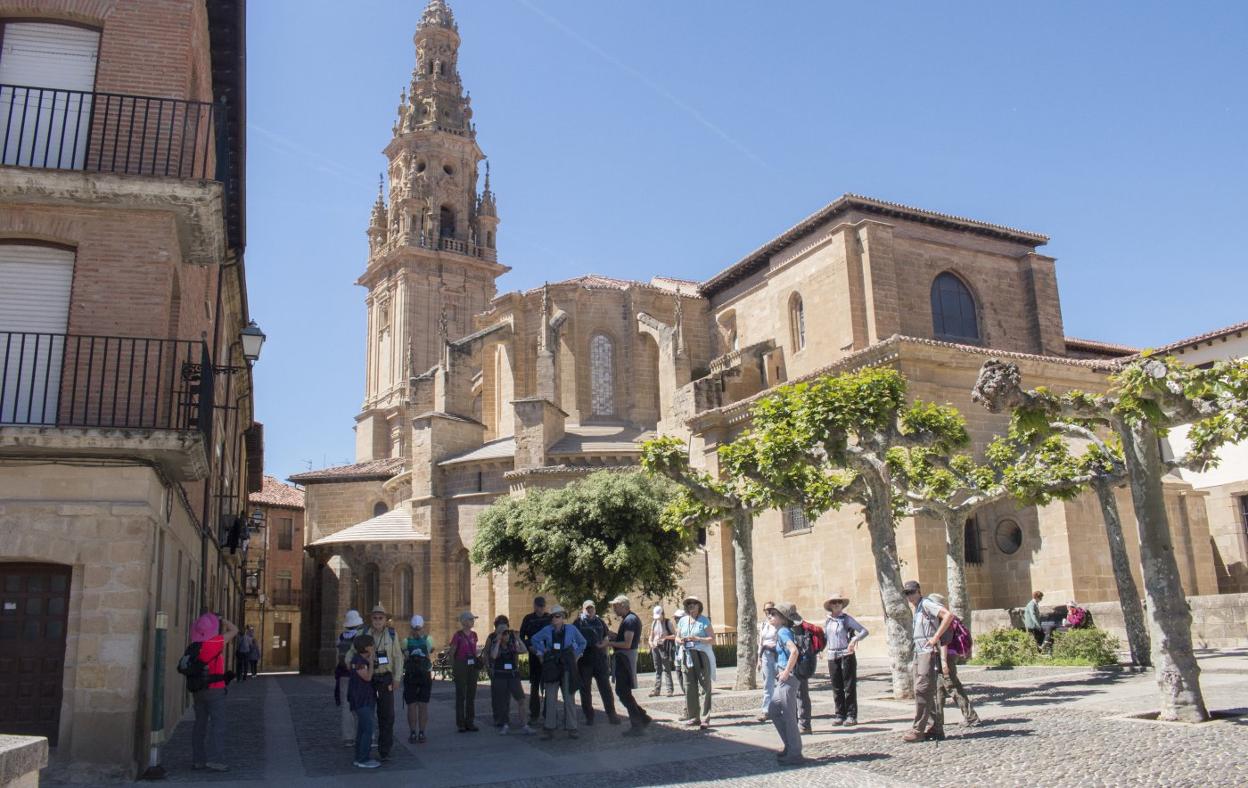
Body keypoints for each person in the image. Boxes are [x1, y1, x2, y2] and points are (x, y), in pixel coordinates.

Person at [903, 580, 954, 743]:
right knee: (924, 690)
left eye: (911, 592)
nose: (909, 596)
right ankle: (936, 728)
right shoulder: (917, 609)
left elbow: (948, 615)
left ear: (919, 590)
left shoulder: (926, 604)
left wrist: (935, 638)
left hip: (928, 652)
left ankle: (918, 730)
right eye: (906, 593)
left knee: (922, 689)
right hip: (918, 652)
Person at [188, 612, 237, 772]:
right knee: (218, 725)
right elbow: (234, 630)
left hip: (198, 690)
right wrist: (222, 620)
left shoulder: (194, 646)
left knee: (199, 725)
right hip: (215, 690)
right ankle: (216, 760)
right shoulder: (215, 642)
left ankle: (198, 760)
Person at [531, 604, 586, 739]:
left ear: (562, 617)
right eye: (553, 617)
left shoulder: (571, 629)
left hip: (566, 664)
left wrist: (575, 655)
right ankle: (549, 728)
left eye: (557, 616)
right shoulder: (547, 630)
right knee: (550, 697)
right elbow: (534, 639)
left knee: (569, 696)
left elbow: (582, 642)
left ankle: (572, 727)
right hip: (552, 664)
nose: (554, 619)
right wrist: (542, 651)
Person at [929, 593, 979, 728]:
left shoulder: (942, 619)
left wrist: (944, 662)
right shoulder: (942, 618)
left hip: (945, 657)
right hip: (944, 656)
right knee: (938, 688)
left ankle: (971, 717)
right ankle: (937, 720)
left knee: (952, 686)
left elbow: (944, 642)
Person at [362, 604, 402, 759]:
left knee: (387, 715)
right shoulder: (364, 633)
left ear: (385, 620)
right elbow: (353, 652)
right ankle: (364, 748)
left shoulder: (392, 634)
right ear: (371, 619)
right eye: (375, 617)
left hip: (385, 678)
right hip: (368, 679)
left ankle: (384, 750)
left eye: (381, 618)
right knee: (366, 714)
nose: (378, 620)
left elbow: (398, 657)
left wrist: (397, 678)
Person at [765, 602, 803, 764]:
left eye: (773, 614)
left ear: (782, 618)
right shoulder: (783, 631)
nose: (770, 616)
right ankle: (790, 745)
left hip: (788, 677)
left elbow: (794, 651)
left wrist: (786, 671)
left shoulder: (783, 632)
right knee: (773, 710)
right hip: (784, 677)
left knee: (789, 716)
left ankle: (795, 753)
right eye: (770, 613)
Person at [823, 593, 868, 726]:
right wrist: (820, 650)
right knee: (836, 686)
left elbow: (864, 631)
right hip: (832, 655)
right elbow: (826, 637)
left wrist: (854, 640)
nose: (837, 604)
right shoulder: (827, 621)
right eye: (834, 602)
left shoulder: (846, 619)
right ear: (830, 605)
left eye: (839, 602)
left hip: (846, 655)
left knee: (849, 686)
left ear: (842, 605)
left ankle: (851, 715)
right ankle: (839, 714)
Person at [573, 600, 619, 725]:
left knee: (606, 688)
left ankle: (612, 714)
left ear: (595, 609)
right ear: (583, 609)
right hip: (585, 660)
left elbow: (606, 636)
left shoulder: (600, 622)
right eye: (587, 608)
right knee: (585, 689)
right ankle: (589, 716)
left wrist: (604, 643)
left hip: (600, 660)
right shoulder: (578, 623)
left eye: (591, 608)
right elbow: (573, 640)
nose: (590, 610)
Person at [485, 614, 532, 735]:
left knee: (521, 699)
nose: (506, 635)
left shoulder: (512, 642)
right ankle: (504, 723)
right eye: (503, 633)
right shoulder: (494, 640)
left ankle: (524, 724)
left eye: (507, 632)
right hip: (500, 675)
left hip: (513, 675)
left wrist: (518, 638)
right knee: (502, 701)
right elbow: (493, 655)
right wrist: (499, 640)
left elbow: (524, 650)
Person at [676, 596, 715, 730]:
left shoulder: (704, 620)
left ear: (699, 606)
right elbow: (677, 636)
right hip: (686, 655)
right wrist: (679, 640)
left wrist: (698, 638)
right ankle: (693, 717)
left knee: (705, 685)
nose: (691, 605)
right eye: (688, 604)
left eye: (694, 603)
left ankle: (705, 718)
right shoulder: (682, 621)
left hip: (701, 654)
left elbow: (712, 639)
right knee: (689, 686)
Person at [348, 633, 381, 769]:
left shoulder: (361, 660)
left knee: (362, 729)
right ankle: (363, 758)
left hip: (365, 698)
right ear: (366, 647)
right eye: (371, 645)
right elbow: (367, 677)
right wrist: (372, 663)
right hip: (361, 699)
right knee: (368, 729)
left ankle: (359, 757)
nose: (373, 647)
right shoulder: (358, 661)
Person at [519, 596, 552, 725]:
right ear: (534, 606)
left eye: (542, 606)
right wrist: (529, 646)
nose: (540, 608)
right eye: (538, 606)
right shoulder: (528, 619)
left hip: (547, 655)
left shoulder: (549, 618)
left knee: (549, 683)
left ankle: (548, 713)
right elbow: (522, 636)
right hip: (534, 654)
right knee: (534, 685)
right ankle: (534, 714)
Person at [335, 609, 366, 747]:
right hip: (358, 675)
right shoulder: (361, 637)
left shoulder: (341, 637)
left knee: (346, 707)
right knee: (361, 704)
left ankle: (348, 737)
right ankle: (365, 734)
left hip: (343, 675)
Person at [791, 611, 825, 734]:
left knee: (799, 695)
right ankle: (803, 724)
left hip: (798, 666)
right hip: (802, 665)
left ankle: (802, 724)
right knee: (800, 695)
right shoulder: (806, 630)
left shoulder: (795, 631)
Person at [402, 614, 434, 744]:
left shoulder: (407, 640)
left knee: (420, 705)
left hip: (415, 674)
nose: (417, 631)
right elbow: (430, 650)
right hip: (418, 674)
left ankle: (417, 732)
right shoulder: (426, 638)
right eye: (416, 629)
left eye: (418, 628)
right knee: (415, 705)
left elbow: (430, 650)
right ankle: (417, 732)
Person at [449, 611, 481, 732]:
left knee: (471, 694)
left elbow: (475, 649)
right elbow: (452, 652)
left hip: (472, 664)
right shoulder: (458, 635)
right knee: (461, 694)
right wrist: (454, 667)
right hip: (461, 664)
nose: (473, 622)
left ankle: (470, 722)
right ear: (464, 622)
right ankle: (461, 723)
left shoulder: (474, 635)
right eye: (470, 619)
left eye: (473, 619)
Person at [649, 605, 682, 698]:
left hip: (664, 648)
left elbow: (675, 635)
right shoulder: (654, 622)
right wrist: (650, 642)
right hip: (655, 647)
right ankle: (656, 690)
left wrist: (665, 637)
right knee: (657, 669)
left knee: (666, 669)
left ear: (663, 614)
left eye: (659, 616)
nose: (657, 618)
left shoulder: (668, 623)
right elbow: (651, 635)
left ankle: (669, 690)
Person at [756, 600, 778, 722]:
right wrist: (759, 659)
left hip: (777, 655)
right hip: (766, 655)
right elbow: (760, 642)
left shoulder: (778, 623)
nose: (768, 612)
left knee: (781, 683)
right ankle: (766, 710)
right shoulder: (763, 624)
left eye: (771, 609)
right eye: (766, 610)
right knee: (767, 684)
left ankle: (782, 709)